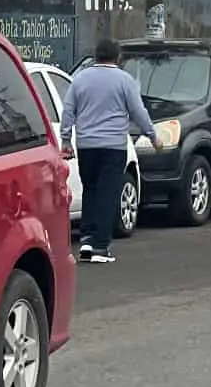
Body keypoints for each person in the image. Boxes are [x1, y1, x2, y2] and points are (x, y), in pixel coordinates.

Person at [61, 39, 160, 264]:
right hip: (113, 146)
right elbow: (138, 111)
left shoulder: (80, 79)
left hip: (86, 145)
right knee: (107, 195)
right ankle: (100, 246)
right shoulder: (125, 81)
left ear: (96, 56)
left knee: (91, 191)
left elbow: (68, 110)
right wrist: (152, 135)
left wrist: (66, 139)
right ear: (118, 57)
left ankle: (86, 240)